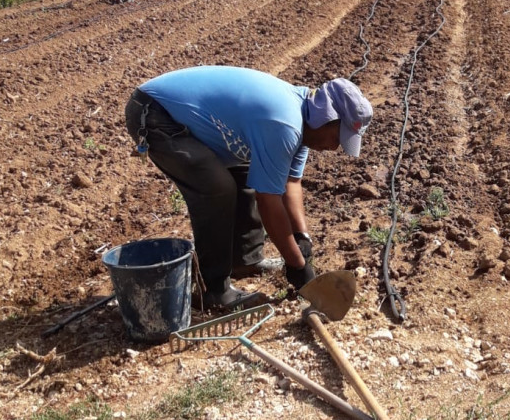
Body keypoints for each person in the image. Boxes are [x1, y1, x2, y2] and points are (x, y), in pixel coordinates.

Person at [124, 66, 373, 311]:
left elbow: (290, 182)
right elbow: (269, 201)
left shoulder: (304, 121)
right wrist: (297, 264)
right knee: (216, 189)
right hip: (156, 114)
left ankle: (244, 260)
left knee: (246, 173)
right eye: (336, 138)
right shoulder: (285, 124)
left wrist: (302, 238)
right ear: (326, 118)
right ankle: (213, 290)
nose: (335, 148)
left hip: (181, 118)